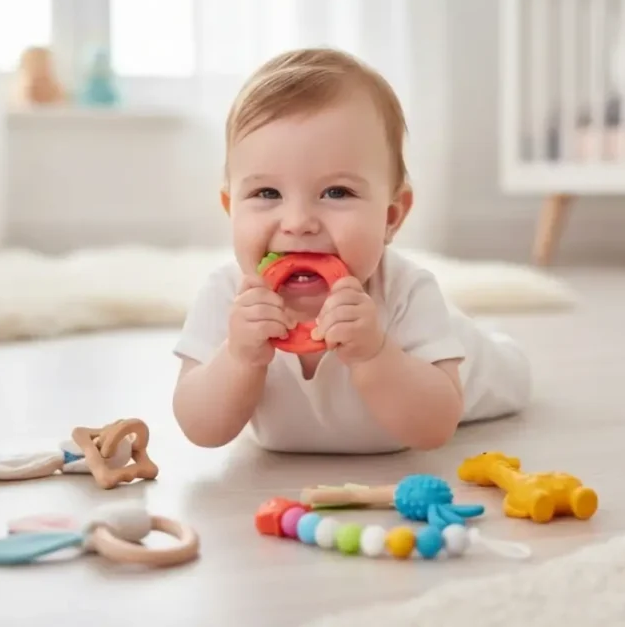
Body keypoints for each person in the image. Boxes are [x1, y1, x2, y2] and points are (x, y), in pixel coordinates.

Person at [171, 48, 531, 454]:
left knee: (510, 372)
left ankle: (497, 344)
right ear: (230, 208)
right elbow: (199, 427)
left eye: (336, 192)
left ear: (391, 217)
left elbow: (435, 428)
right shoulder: (227, 295)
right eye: (266, 192)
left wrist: (376, 356)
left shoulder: (406, 292)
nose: (298, 221)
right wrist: (237, 358)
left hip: (468, 366)